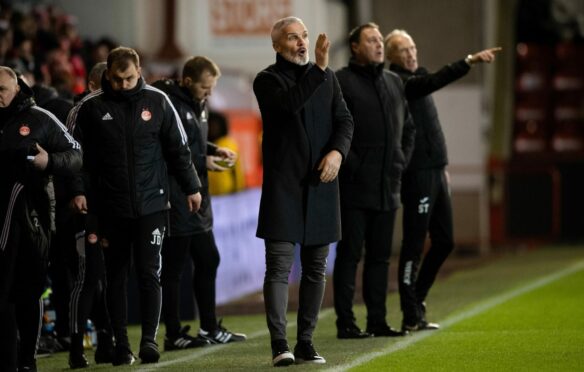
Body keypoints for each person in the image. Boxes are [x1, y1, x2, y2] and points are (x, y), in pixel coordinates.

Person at [68, 47, 202, 366]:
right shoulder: (90, 107)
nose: (123, 84)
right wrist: (77, 190)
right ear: (108, 75)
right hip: (110, 207)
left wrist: (192, 187)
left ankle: (148, 343)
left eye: (129, 78)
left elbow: (178, 149)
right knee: (115, 276)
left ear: (139, 69)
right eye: (116, 79)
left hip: (152, 203)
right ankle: (122, 345)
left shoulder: (157, 101)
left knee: (148, 273)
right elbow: (73, 154)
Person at [384, 29, 501, 332]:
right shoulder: (400, 83)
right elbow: (433, 81)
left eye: (412, 47)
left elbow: (430, 126)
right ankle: (410, 313)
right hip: (417, 173)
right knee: (412, 243)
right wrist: (468, 61)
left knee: (445, 241)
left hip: (436, 170)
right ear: (391, 57)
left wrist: (443, 165)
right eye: (403, 50)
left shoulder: (417, 77)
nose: (411, 53)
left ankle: (416, 299)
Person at [253, 16, 354, 366]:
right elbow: (288, 106)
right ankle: (280, 344)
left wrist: (337, 153)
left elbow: (345, 120)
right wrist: (321, 70)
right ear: (277, 45)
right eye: (293, 37)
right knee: (279, 268)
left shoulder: (326, 79)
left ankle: (306, 342)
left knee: (315, 268)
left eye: (305, 36)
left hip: (321, 185)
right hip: (284, 187)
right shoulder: (267, 80)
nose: (302, 42)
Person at [152, 56, 246, 351]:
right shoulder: (169, 104)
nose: (209, 93)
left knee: (207, 259)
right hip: (176, 197)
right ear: (188, 81)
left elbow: (192, 143)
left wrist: (214, 149)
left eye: (212, 87)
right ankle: (173, 334)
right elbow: (168, 149)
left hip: (198, 197)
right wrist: (202, 160)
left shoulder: (199, 104)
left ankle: (208, 327)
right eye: (206, 87)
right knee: (175, 268)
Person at [333, 23, 415, 339]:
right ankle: (346, 323)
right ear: (355, 47)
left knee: (381, 258)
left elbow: (408, 129)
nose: (378, 45)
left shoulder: (394, 82)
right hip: (354, 187)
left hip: (388, 187)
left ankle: (377, 321)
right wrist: (354, 166)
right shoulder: (341, 82)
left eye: (380, 40)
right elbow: (335, 129)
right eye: (371, 40)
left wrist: (400, 163)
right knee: (350, 256)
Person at [0, 66, 82, 371]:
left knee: (29, 289)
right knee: (5, 291)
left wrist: (50, 161)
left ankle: (27, 359)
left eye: (2, 90)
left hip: (34, 218)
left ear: (16, 88)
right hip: (6, 218)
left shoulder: (39, 118)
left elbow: (75, 154)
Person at [66, 61, 113, 369]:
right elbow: (72, 158)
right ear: (96, 83)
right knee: (88, 277)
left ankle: (107, 342)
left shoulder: (118, 110)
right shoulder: (80, 112)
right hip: (85, 208)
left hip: (112, 206)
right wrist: (77, 191)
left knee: (105, 278)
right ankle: (75, 347)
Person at [207, 111, 246, 195]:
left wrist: (239, 189)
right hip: (209, 194)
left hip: (227, 194)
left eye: (216, 125)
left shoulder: (228, 144)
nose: (213, 128)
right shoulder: (205, 145)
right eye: (211, 125)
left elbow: (237, 170)